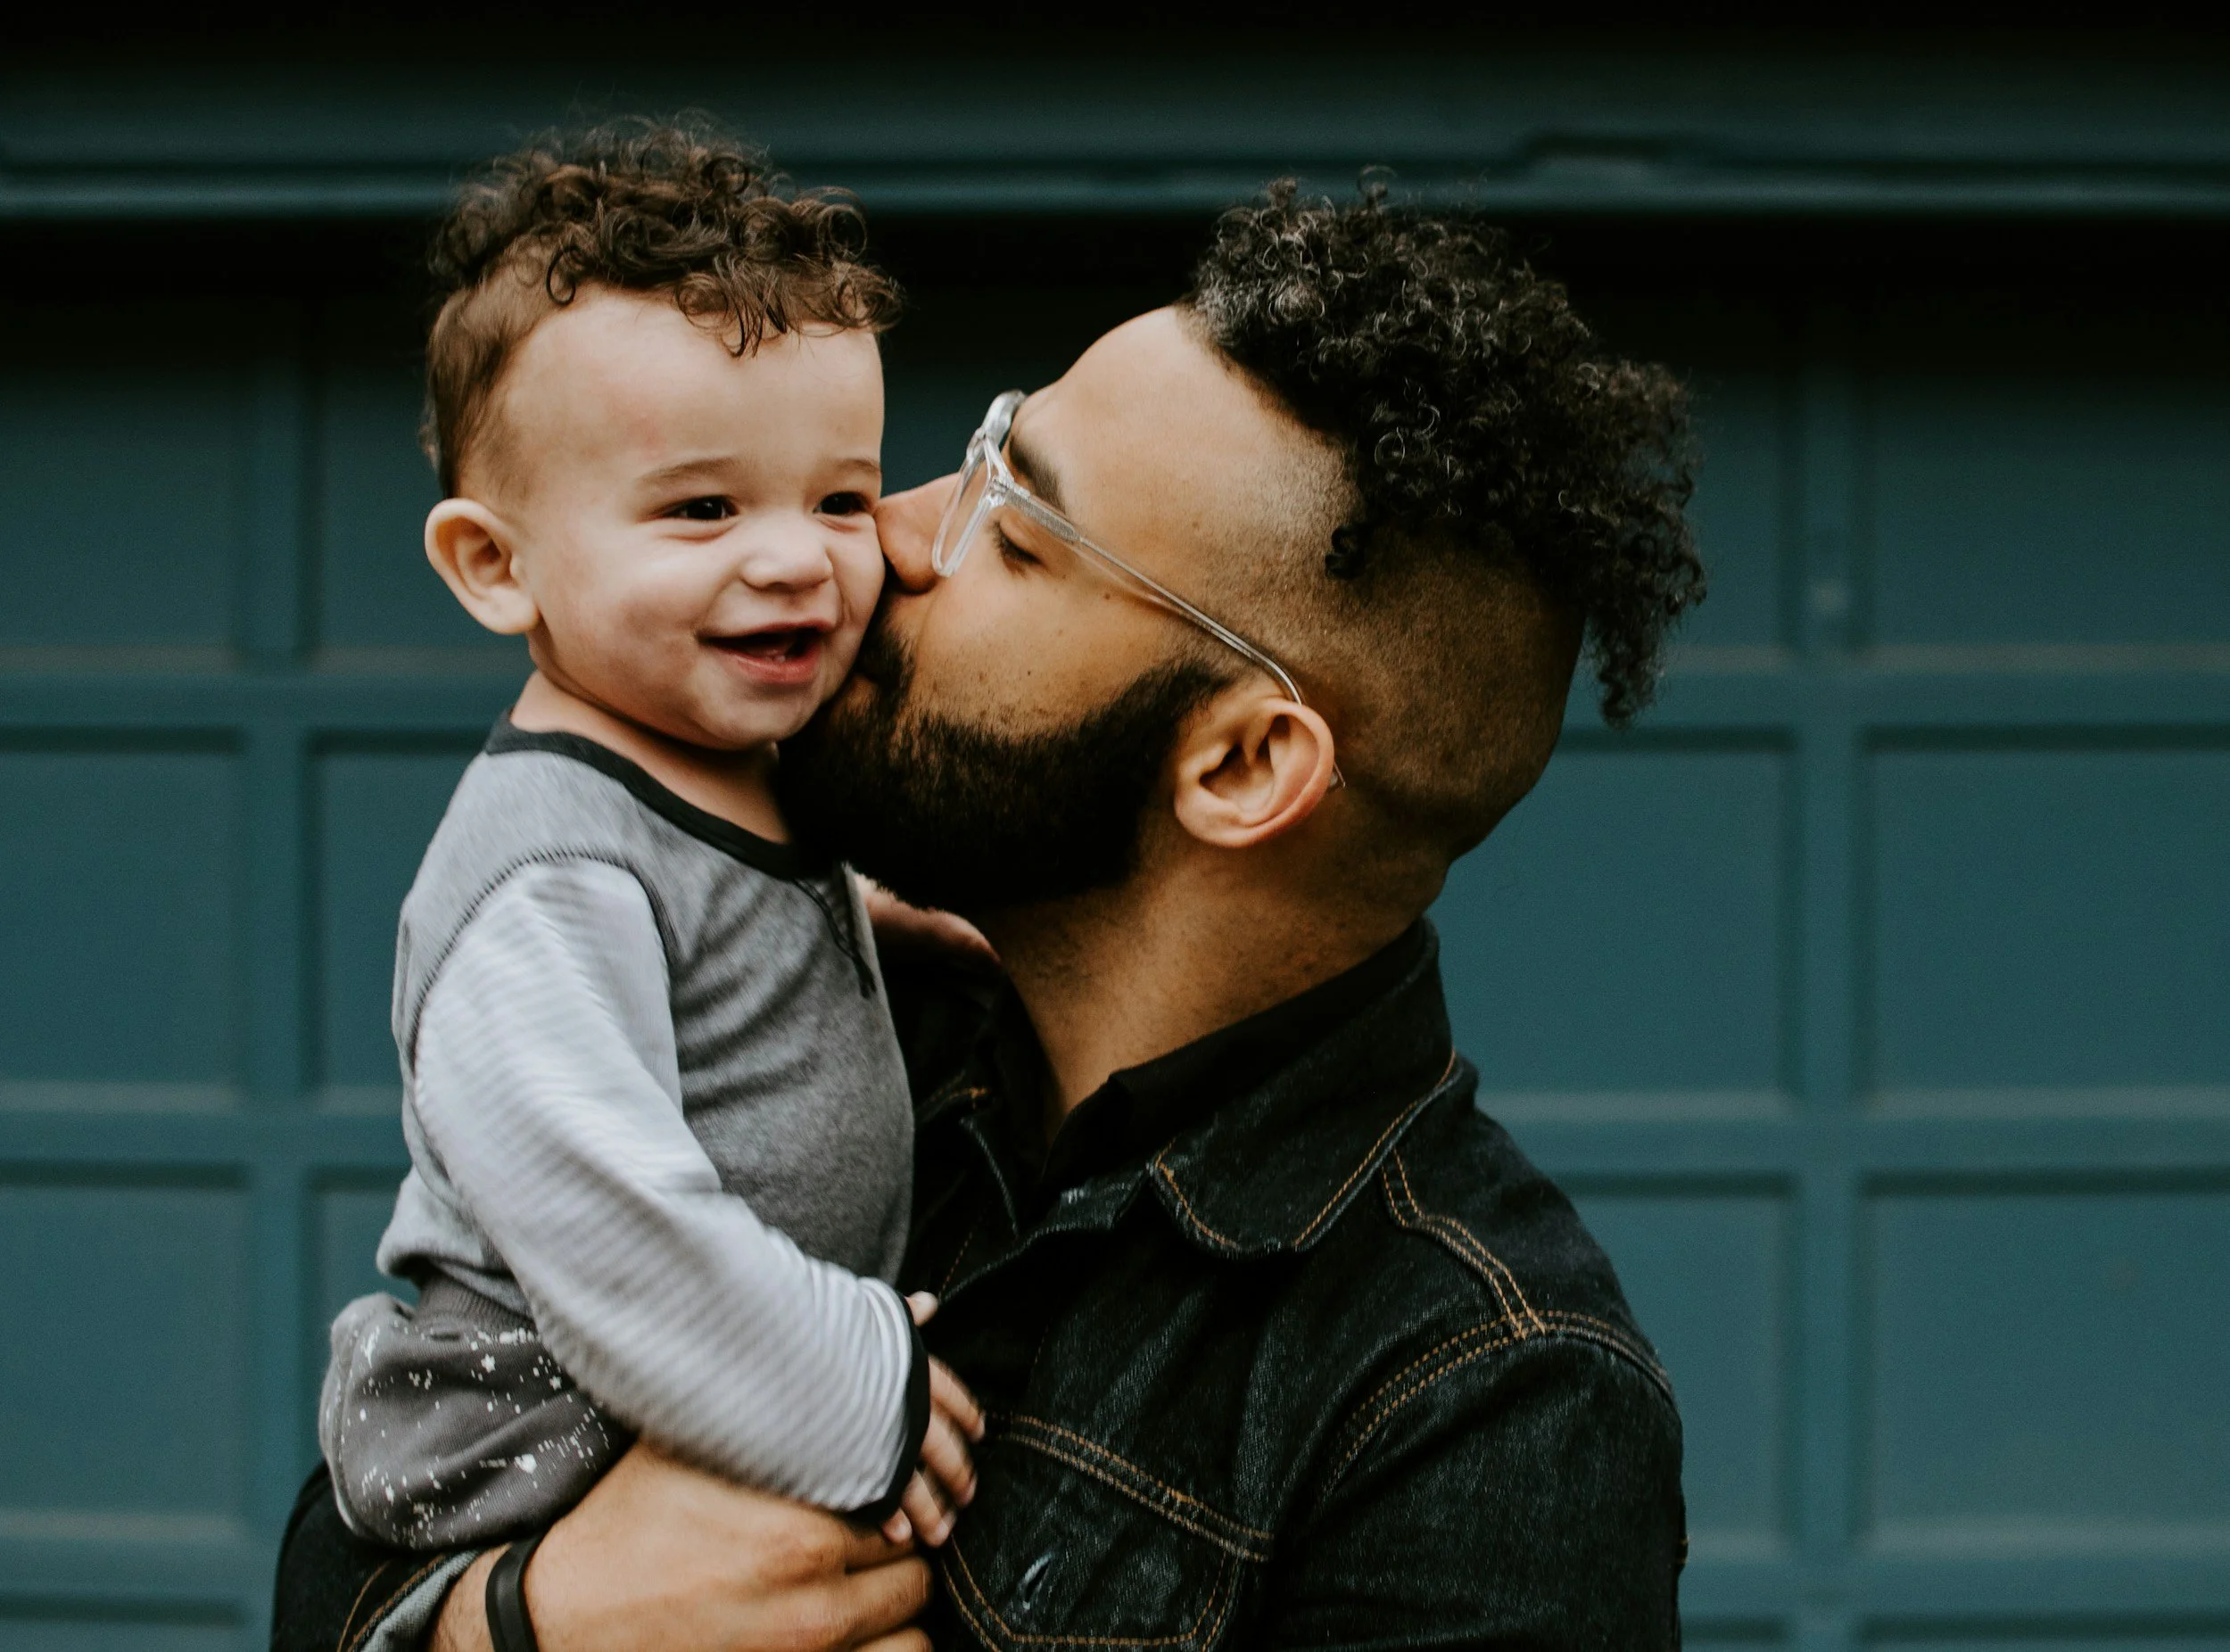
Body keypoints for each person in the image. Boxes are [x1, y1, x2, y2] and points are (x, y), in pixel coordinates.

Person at [276, 177, 1706, 1652]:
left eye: (1015, 535)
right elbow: (354, 1530)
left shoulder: (1484, 1401)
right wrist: (520, 1625)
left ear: (1241, 762)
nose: (879, 541)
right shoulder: (821, 1024)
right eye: (968, 467)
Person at [313, 120, 979, 1566]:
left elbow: (723, 930)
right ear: (497, 566)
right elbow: (607, 1217)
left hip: (691, 1398)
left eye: (842, 499)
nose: (797, 555)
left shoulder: (729, 766)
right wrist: (855, 1390)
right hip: (534, 1432)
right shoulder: (547, 878)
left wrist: (871, 923)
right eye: (702, 508)